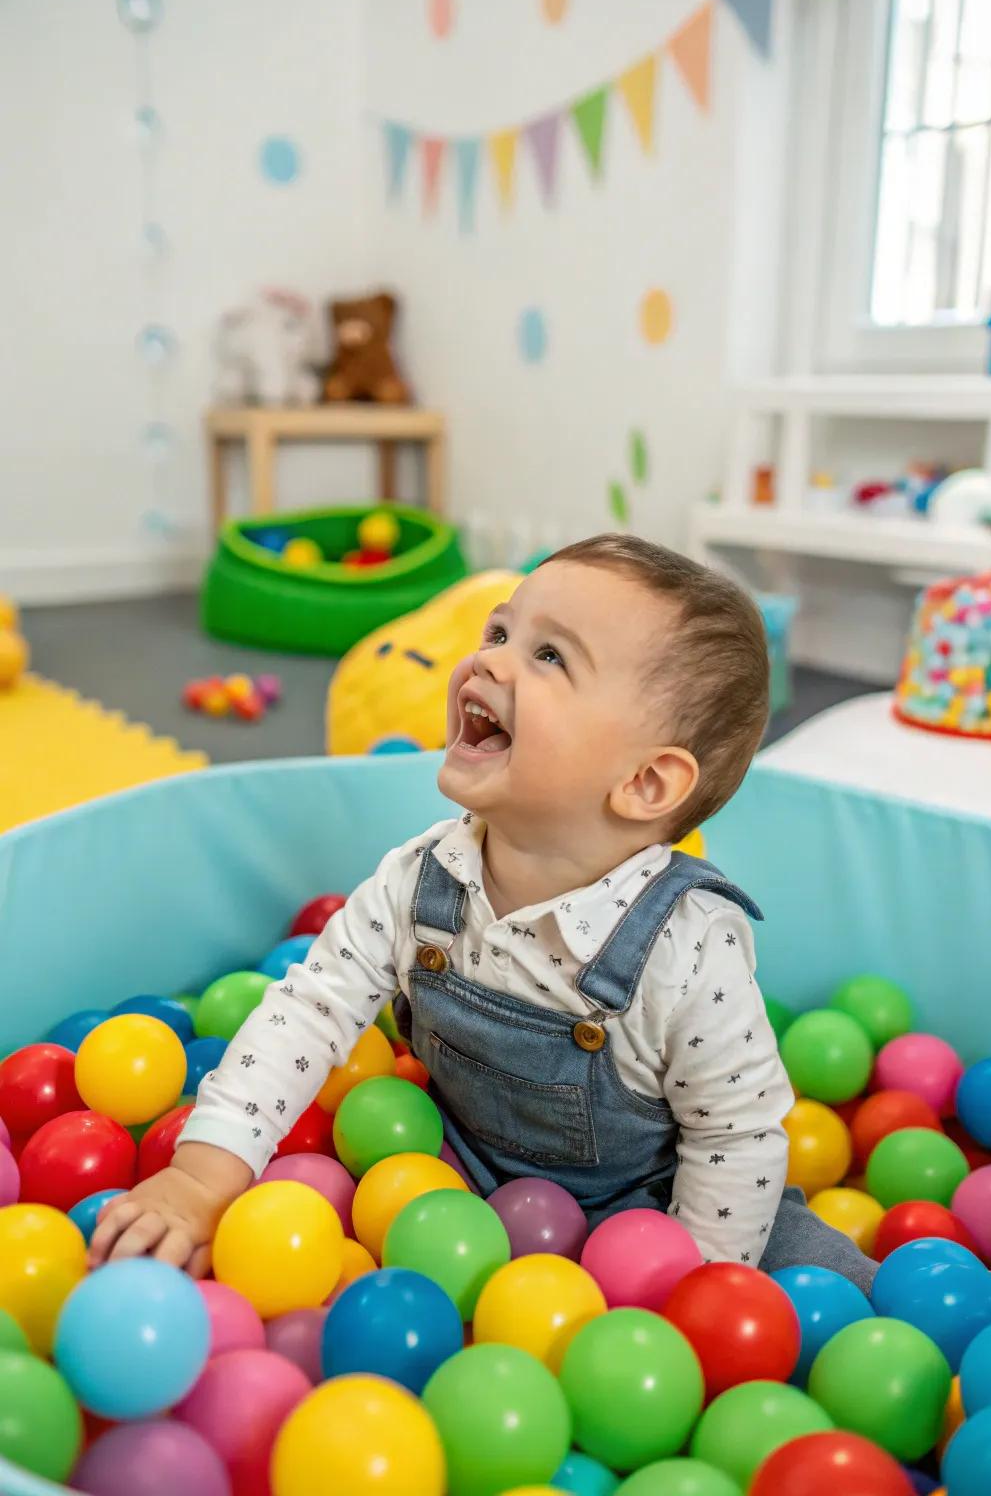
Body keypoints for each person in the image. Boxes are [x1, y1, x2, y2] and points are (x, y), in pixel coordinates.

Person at [90, 534, 876, 1293]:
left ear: (644, 784)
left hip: (659, 1210)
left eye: (548, 656)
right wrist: (200, 1179)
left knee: (828, 1285)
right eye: (499, 629)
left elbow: (734, 1136)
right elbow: (310, 1008)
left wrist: (702, 1288)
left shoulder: (686, 948)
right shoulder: (421, 882)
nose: (489, 658)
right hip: (449, 1176)